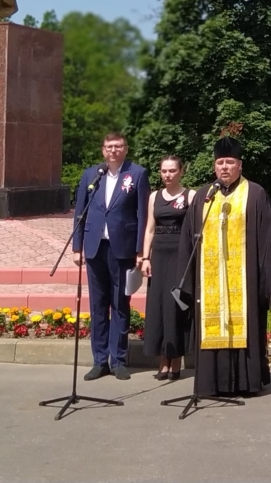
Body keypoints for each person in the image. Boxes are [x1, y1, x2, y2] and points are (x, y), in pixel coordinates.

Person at [175, 136, 271, 396]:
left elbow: (270, 238)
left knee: (246, 325)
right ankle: (212, 384)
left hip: (244, 280)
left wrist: (267, 280)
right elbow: (188, 237)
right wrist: (187, 278)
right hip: (209, 279)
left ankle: (246, 383)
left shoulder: (256, 194)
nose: (224, 167)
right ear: (214, 166)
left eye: (230, 162)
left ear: (240, 165)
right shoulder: (204, 196)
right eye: (220, 162)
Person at [72, 133, 150, 381]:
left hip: (122, 248)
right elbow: (79, 212)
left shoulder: (137, 174)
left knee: (120, 304)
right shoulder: (92, 174)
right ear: (103, 150)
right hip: (95, 248)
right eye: (109, 147)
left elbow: (143, 215)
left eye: (118, 146)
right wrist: (77, 247)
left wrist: (140, 250)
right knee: (97, 305)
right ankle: (99, 360)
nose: (113, 150)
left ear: (126, 149)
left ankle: (118, 360)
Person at [139, 155, 194, 381]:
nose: (168, 175)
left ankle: (177, 358)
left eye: (172, 170)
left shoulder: (191, 195)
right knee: (159, 305)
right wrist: (145, 258)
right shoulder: (154, 197)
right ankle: (163, 359)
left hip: (181, 255)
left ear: (181, 171)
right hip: (159, 255)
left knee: (177, 305)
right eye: (164, 171)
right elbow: (150, 229)